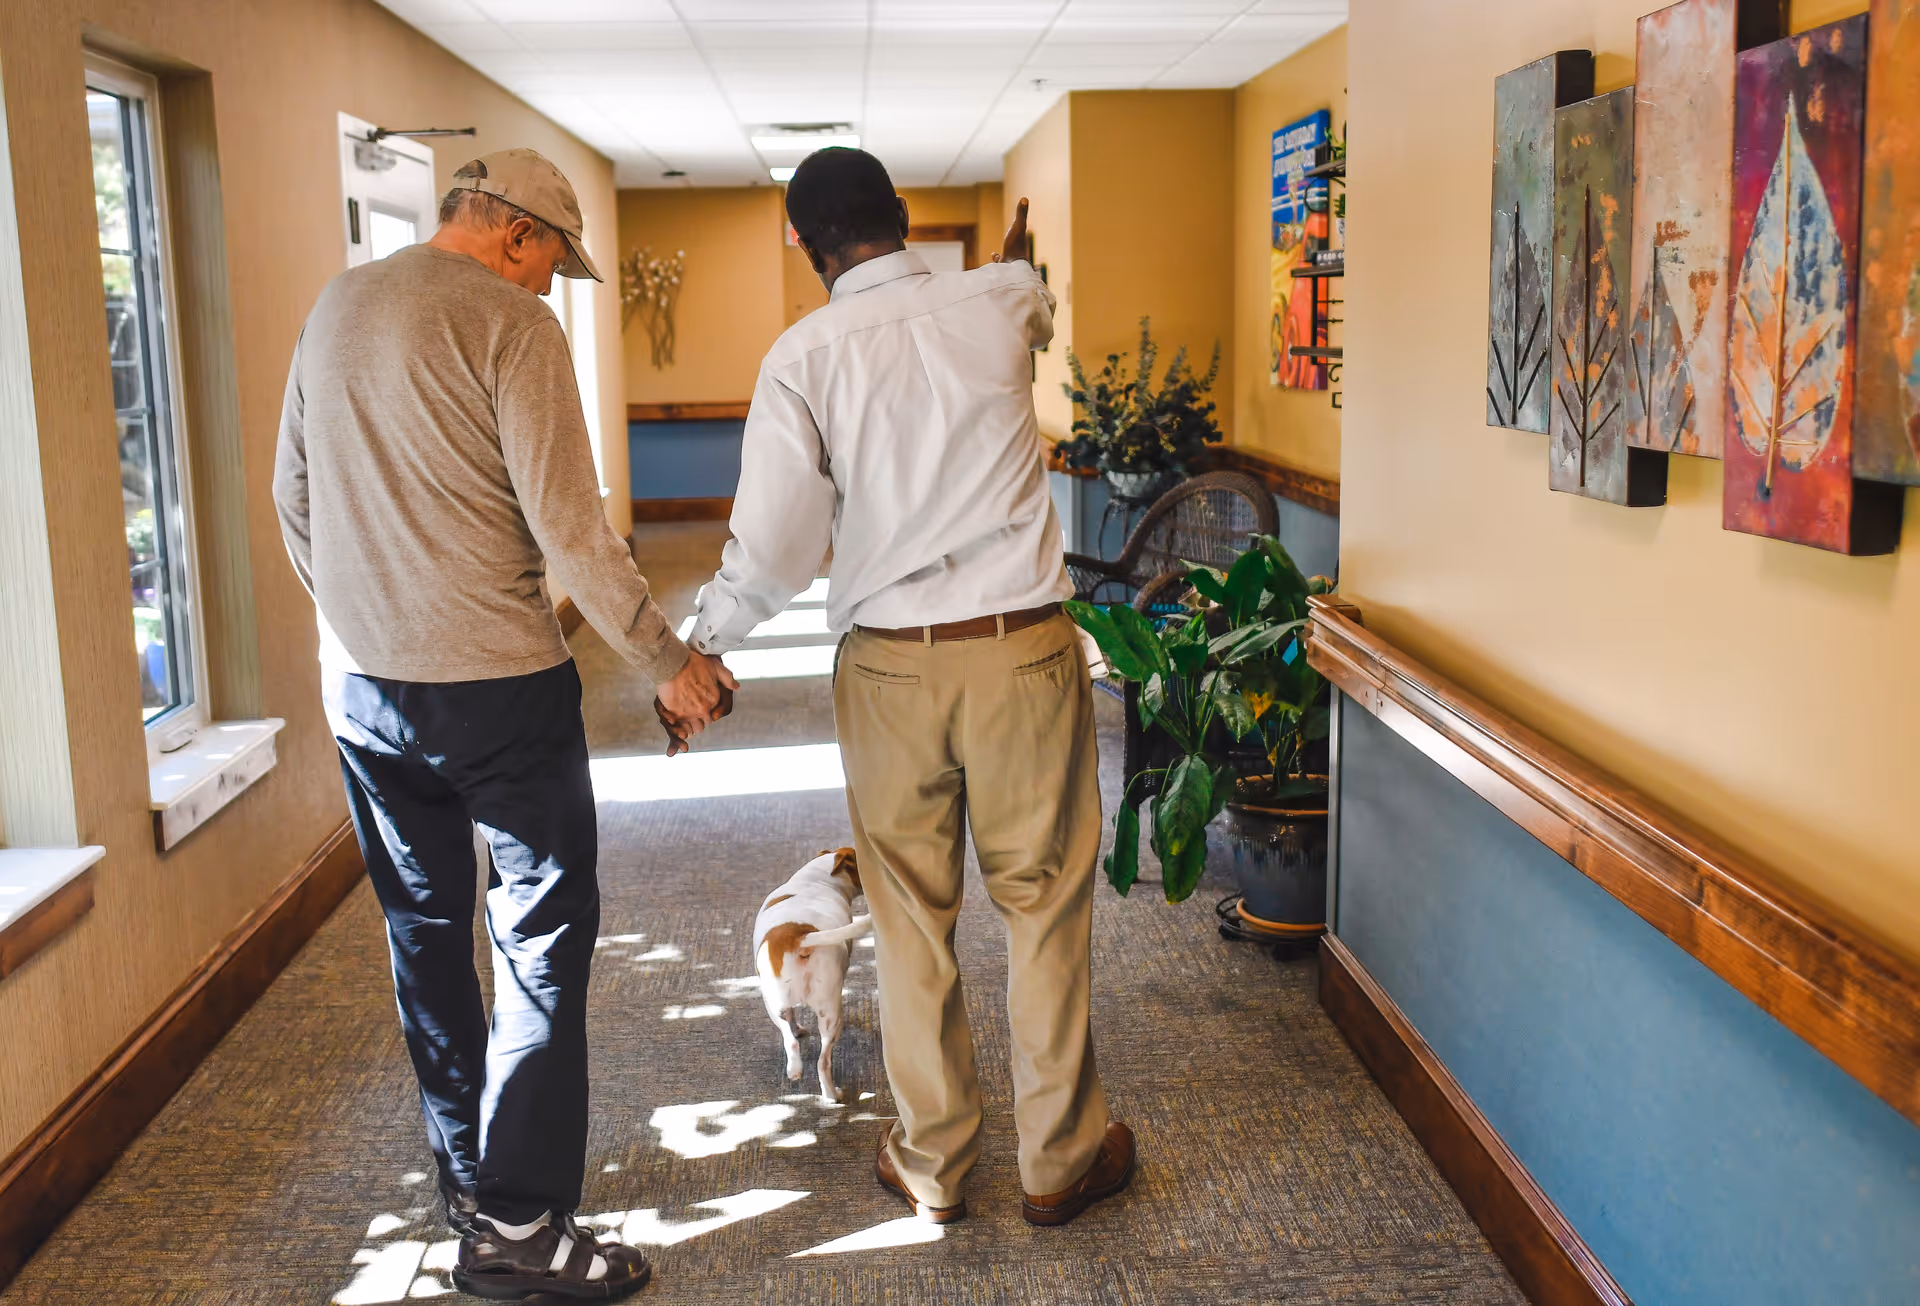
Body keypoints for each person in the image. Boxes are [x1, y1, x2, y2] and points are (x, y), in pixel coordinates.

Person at [273, 147, 733, 1302]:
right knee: (538, 934)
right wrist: (669, 663)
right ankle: (521, 1227)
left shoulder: (336, 305)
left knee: (425, 932)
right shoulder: (514, 328)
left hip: (364, 693)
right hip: (500, 690)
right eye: (550, 264)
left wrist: (369, 621)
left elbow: (293, 499)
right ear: (516, 232)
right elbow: (572, 527)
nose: (546, 287)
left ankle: (475, 1188)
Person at [683, 147, 1134, 1226]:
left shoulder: (798, 358)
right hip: (1024, 651)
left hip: (888, 667)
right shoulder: (1000, 298)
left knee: (909, 918)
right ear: (901, 214)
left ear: (803, 243)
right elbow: (1032, 304)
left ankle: (933, 1161)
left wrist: (702, 647)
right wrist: (1014, 269)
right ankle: (1060, 1160)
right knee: (1044, 906)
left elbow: (776, 549)